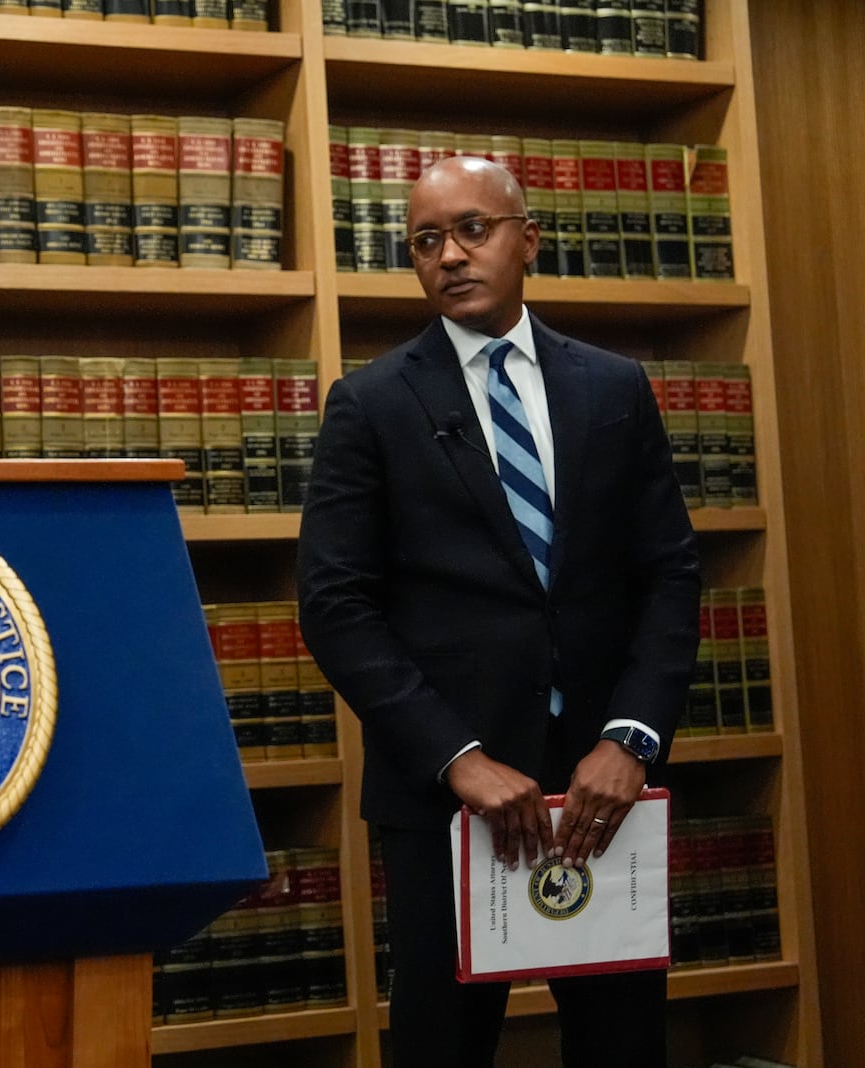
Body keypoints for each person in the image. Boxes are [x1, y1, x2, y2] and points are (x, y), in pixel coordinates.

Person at [296, 156, 699, 1068]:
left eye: (473, 229)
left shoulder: (612, 387)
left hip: (606, 793)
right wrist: (460, 759)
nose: (450, 255)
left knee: (624, 1045)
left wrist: (629, 738)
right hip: (449, 800)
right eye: (427, 240)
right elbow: (334, 605)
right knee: (443, 1048)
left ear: (528, 239)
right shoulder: (370, 404)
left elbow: (669, 576)